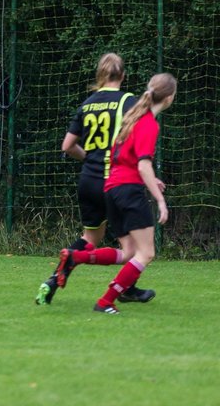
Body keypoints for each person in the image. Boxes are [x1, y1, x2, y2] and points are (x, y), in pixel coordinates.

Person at [35, 53, 153, 305]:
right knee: (132, 248)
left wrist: (89, 158)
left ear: (100, 74)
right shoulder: (128, 102)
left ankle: (52, 281)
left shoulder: (87, 104)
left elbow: (67, 146)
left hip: (88, 180)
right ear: (122, 75)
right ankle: (124, 290)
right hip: (115, 180)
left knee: (90, 239)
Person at [56, 73, 176, 314]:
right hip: (129, 192)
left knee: (129, 253)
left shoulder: (132, 118)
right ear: (170, 97)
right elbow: (142, 165)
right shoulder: (148, 123)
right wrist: (160, 201)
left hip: (111, 188)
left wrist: (151, 179)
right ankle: (105, 301)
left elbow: (125, 158)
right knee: (147, 253)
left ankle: (76, 257)